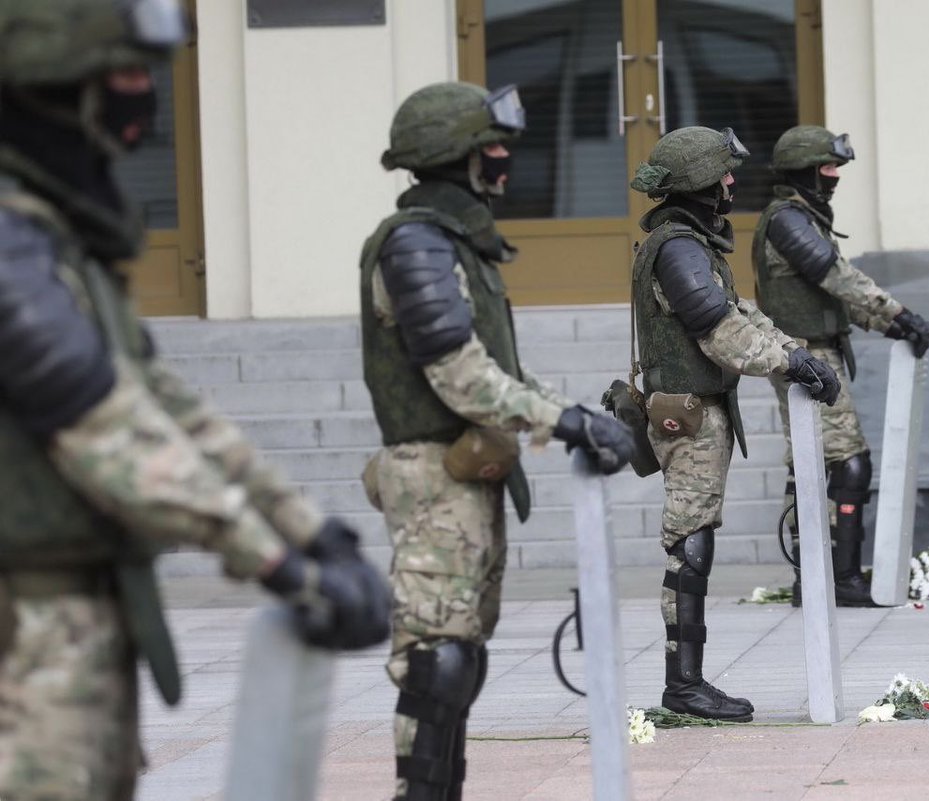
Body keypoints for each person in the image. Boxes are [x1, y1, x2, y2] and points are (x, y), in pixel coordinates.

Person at [0, 1, 392, 798]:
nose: (142, 94)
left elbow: (166, 404)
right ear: (49, 87)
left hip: (77, 622)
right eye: (123, 75)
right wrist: (277, 565)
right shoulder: (10, 245)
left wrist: (308, 527)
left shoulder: (52, 236)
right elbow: (106, 431)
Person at [361, 80, 634, 801]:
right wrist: (563, 422)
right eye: (492, 148)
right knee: (436, 663)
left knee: (463, 661)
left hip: (468, 477)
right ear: (457, 159)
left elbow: (503, 370)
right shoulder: (415, 243)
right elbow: (458, 374)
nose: (505, 160)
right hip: (431, 480)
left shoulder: (457, 243)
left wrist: (572, 410)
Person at [628, 126, 840, 722]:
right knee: (689, 543)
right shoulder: (678, 248)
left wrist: (794, 351)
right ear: (695, 182)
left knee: (696, 538)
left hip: (701, 410)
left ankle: (688, 680)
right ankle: (684, 685)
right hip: (688, 416)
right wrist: (788, 359)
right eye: (721, 174)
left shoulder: (693, 243)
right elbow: (718, 330)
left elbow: (742, 312)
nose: (730, 183)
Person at [752, 125, 929, 608]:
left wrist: (896, 327)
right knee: (845, 465)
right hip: (804, 356)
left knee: (817, 466)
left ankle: (819, 576)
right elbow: (836, 278)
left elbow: (831, 299)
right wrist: (899, 314)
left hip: (813, 351)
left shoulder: (804, 217)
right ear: (805, 171)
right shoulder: (789, 220)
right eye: (828, 168)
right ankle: (838, 579)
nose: (835, 177)